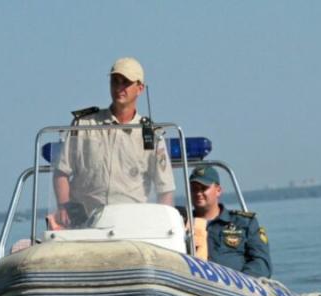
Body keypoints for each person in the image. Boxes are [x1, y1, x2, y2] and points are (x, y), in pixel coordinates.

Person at [52, 57, 174, 227]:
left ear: (140, 88)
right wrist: (63, 207)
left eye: (126, 82)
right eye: (115, 81)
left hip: (132, 226)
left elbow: (165, 188)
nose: (119, 88)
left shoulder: (150, 134)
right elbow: (61, 172)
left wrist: (160, 225)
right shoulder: (84, 125)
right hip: (85, 223)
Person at [188, 165, 272, 278]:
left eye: (203, 188)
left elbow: (261, 263)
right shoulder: (181, 223)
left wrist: (241, 282)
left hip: (236, 289)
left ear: (218, 190)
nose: (198, 193)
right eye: (194, 189)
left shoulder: (244, 223)